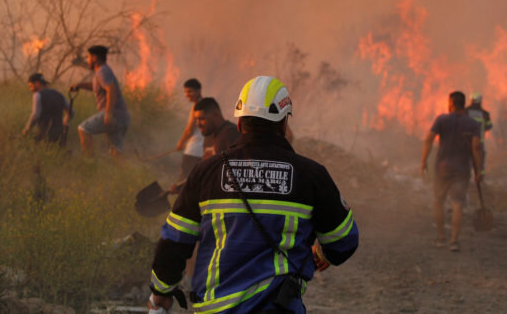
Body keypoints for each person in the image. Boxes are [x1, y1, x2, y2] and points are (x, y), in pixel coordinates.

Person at [148, 76, 359, 314]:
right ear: (283, 125)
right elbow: (344, 241)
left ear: (239, 124)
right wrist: (322, 253)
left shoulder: (206, 172)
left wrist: (161, 292)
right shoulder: (310, 175)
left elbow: (174, 241)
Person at [420, 91, 482, 252]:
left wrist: (424, 161)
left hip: (442, 169)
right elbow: (476, 148)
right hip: (462, 170)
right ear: (464, 104)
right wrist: (479, 171)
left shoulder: (441, 120)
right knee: (458, 204)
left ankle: (441, 238)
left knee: (438, 201)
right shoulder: (473, 123)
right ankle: (454, 241)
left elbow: (429, 139)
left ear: (452, 104)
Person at [71, 45, 130, 157]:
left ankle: (89, 163)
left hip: (115, 114)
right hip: (122, 116)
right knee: (115, 151)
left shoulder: (102, 71)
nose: (87, 61)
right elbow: (96, 86)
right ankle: (127, 173)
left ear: (94, 58)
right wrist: (79, 86)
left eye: (88, 57)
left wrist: (108, 113)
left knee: (83, 129)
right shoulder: (104, 71)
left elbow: (111, 89)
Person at [22, 73, 71, 143]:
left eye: (31, 86)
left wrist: (26, 130)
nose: (30, 89)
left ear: (37, 83)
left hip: (44, 133)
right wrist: (65, 121)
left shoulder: (37, 95)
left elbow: (36, 115)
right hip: (59, 133)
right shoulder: (59, 95)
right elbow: (71, 112)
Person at [172, 78, 204, 185]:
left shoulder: (197, 106)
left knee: (183, 181)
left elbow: (189, 130)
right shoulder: (207, 105)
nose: (187, 94)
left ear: (198, 90)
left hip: (193, 150)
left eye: (190, 91)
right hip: (201, 151)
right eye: (185, 92)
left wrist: (181, 143)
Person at [465, 92, 492, 177]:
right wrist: (482, 130)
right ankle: (480, 176)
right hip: (479, 140)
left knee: (467, 159)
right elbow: (489, 126)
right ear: (480, 101)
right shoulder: (485, 113)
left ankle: (467, 177)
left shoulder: (466, 111)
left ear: (471, 101)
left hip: (467, 140)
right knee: (480, 159)